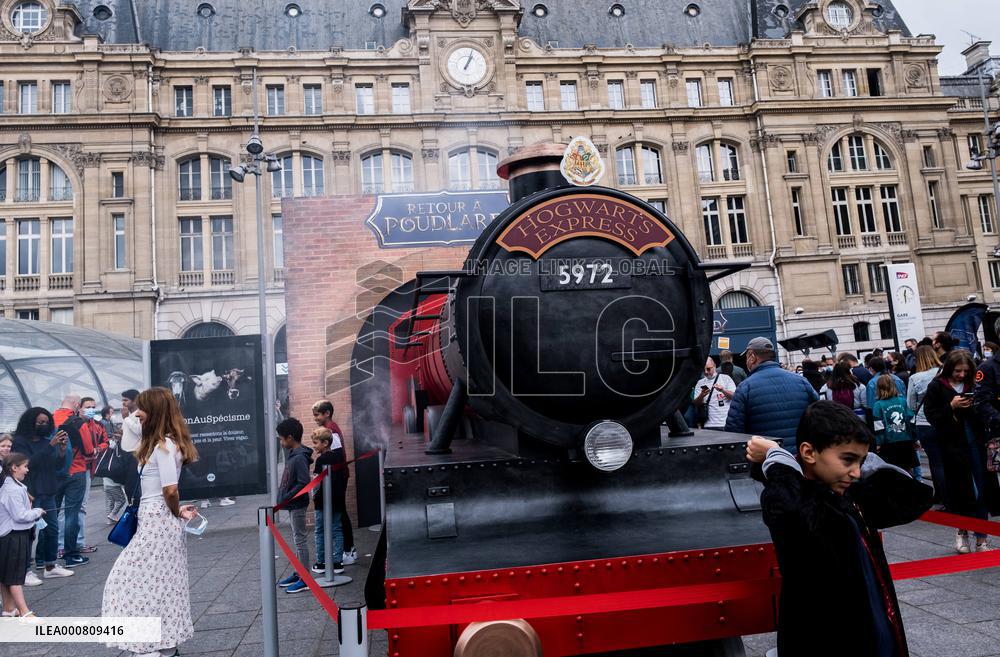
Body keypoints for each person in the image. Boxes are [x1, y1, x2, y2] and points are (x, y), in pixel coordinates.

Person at [745, 401, 932, 657]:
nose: (855, 472)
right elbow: (792, 508)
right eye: (847, 460)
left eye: (860, 461)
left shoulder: (848, 496)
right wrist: (777, 458)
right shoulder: (797, 505)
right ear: (809, 453)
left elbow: (913, 498)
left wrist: (864, 463)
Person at [102, 387, 199, 657]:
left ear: (154, 411)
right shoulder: (159, 442)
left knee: (132, 577)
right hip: (154, 516)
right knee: (160, 581)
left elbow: (170, 489)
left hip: (158, 518)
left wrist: (177, 510)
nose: (137, 413)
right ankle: (164, 643)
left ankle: (155, 644)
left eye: (141, 408)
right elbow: (130, 439)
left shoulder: (165, 446)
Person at [924, 350, 991, 553]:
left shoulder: (975, 385)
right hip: (953, 445)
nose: (961, 375)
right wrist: (951, 406)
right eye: (957, 371)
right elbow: (931, 415)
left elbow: (986, 408)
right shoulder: (937, 386)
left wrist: (975, 406)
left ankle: (981, 537)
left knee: (981, 491)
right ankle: (962, 532)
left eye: (965, 371)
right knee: (961, 490)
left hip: (976, 442)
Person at [11, 408, 73, 583]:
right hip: (31, 492)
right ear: (30, 422)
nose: (43, 425)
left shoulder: (47, 441)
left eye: (46, 422)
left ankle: (50, 565)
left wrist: (61, 450)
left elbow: (56, 465)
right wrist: (50, 446)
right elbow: (28, 464)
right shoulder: (20, 442)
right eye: (39, 422)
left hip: (48, 490)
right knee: (29, 532)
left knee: (52, 530)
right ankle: (25, 571)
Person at [725, 337, 820, 447]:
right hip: (800, 457)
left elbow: (734, 432)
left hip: (766, 459)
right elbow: (818, 415)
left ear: (752, 356)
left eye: (746, 357)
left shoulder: (745, 387)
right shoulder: (801, 381)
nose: (746, 361)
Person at [54, 395, 99, 567]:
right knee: (72, 513)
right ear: (77, 405)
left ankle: (47, 556)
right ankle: (71, 554)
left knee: (53, 513)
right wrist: (94, 451)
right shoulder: (78, 422)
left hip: (55, 473)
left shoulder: (49, 418)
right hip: (76, 471)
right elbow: (88, 450)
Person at [0, 453, 47, 618]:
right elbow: (19, 515)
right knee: (14, 576)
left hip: (8, 535)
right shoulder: (12, 489)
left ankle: (8, 609)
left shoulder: (11, 486)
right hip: (14, 536)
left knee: (6, 576)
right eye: (25, 466)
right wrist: (37, 512)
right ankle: (25, 612)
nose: (27, 470)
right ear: (14, 467)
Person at [312, 400, 357, 565]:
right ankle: (347, 549)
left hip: (337, 478)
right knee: (340, 512)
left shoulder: (331, 430)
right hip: (337, 477)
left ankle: (349, 550)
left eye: (317, 415)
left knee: (340, 512)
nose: (315, 418)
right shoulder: (331, 428)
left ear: (327, 413)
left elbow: (336, 457)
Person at [275, 418, 313, 594]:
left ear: (290, 437)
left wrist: (288, 497)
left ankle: (305, 578)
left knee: (300, 540)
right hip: (293, 504)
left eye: (282, 439)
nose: (281, 442)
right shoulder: (294, 454)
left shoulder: (298, 458)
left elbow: (303, 482)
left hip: (297, 504)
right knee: (297, 538)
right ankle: (299, 572)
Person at [907, 346, 944, 504]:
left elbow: (911, 404)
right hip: (945, 419)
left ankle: (942, 495)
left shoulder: (915, 378)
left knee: (935, 462)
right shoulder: (944, 372)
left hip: (925, 422)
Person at [310, 428, 345, 576]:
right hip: (337, 499)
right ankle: (337, 562)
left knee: (320, 530)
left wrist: (313, 496)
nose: (314, 446)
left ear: (325, 443)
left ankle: (321, 561)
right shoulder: (338, 458)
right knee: (336, 528)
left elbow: (316, 482)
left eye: (316, 443)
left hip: (322, 501)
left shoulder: (321, 460)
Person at [871, 374, 916, 471]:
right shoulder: (903, 401)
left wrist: (878, 443)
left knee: (893, 471)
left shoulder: (878, 405)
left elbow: (879, 427)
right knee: (907, 470)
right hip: (906, 440)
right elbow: (911, 419)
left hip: (889, 443)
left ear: (878, 388)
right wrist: (915, 438)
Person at [691, 357, 736, 430]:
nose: (706, 372)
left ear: (714, 366)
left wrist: (723, 390)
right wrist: (702, 395)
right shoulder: (700, 383)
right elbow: (696, 403)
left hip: (725, 422)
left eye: (708, 369)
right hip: (708, 424)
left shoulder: (726, 378)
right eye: (704, 369)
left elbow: (734, 397)